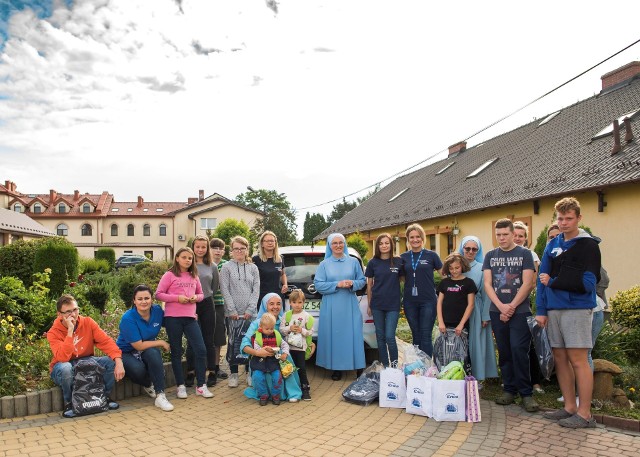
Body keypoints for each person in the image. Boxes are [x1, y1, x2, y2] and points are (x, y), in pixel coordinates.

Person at [537, 197, 601, 428]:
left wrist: (555, 282)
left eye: (569, 218)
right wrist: (541, 310)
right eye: (560, 218)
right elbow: (540, 280)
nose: (563, 223)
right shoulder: (552, 244)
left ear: (579, 218)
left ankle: (585, 415)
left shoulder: (589, 246)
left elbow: (588, 283)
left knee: (578, 360)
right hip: (553, 310)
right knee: (560, 359)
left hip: (576, 308)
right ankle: (569, 408)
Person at [483, 218, 539, 413]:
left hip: (520, 311)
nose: (501, 238)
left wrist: (511, 307)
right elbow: (488, 284)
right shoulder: (490, 255)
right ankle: (509, 389)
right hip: (497, 310)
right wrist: (500, 306)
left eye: (505, 234)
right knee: (505, 352)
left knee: (519, 350)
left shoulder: (524, 254)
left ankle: (526, 393)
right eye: (498, 235)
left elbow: (528, 283)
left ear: (512, 233)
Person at [47, 294, 125, 418]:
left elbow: (106, 342)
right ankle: (70, 403)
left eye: (75, 310)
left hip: (86, 360)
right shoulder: (53, 333)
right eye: (68, 312)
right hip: (63, 365)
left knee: (111, 362)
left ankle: (103, 397)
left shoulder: (88, 322)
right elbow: (63, 357)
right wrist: (70, 332)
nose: (73, 314)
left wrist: (119, 361)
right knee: (66, 368)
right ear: (59, 315)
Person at [156, 247, 214, 399]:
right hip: (173, 318)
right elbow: (158, 294)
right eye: (184, 257)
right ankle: (180, 386)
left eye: (190, 258)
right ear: (177, 258)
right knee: (176, 351)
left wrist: (196, 297)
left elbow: (202, 294)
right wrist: (177, 298)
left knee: (201, 350)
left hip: (190, 318)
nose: (188, 260)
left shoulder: (194, 276)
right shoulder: (169, 275)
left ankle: (201, 385)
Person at [314, 233, 367, 381]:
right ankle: (336, 368)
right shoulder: (324, 264)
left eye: (341, 243)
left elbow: (362, 281)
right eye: (334, 243)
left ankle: (358, 366)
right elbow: (318, 285)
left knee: (353, 335)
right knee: (334, 336)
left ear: (344, 244)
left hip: (349, 304)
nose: (338, 245)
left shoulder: (353, 262)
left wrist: (352, 284)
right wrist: (337, 284)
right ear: (330, 246)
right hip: (331, 305)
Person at [116, 285, 173, 411]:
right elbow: (138, 345)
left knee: (153, 353)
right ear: (134, 301)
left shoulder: (157, 311)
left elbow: (170, 321)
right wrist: (162, 342)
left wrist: (188, 316)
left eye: (147, 298)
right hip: (126, 352)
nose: (144, 302)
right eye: (140, 299)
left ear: (152, 299)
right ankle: (148, 383)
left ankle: (160, 395)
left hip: (146, 349)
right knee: (138, 370)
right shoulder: (128, 318)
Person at [241, 293, 303, 402]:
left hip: (279, 357)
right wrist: (257, 353)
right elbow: (244, 344)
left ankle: (290, 392)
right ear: (265, 305)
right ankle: (266, 394)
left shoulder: (284, 321)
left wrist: (309, 342)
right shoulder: (257, 323)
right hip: (261, 359)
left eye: (278, 304)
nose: (275, 307)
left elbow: (292, 338)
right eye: (271, 304)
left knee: (286, 361)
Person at [220, 235, 260, 388]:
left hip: (251, 314)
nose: (239, 251)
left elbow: (256, 289)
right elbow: (224, 289)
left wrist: (250, 309)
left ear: (246, 249)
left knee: (250, 342)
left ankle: (249, 373)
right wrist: (232, 310)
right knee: (233, 343)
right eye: (236, 248)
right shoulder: (226, 267)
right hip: (233, 314)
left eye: (242, 248)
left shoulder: (253, 268)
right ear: (232, 250)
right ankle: (234, 373)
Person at [457, 236, 498, 383]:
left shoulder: (482, 268)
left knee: (475, 343)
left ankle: (477, 376)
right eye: (467, 248)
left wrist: (486, 315)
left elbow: (487, 294)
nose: (470, 251)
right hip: (457, 309)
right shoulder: (454, 267)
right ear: (462, 248)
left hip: (476, 310)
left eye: (474, 249)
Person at [400, 223, 443, 357]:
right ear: (408, 239)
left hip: (428, 301)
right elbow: (400, 278)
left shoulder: (432, 256)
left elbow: (444, 276)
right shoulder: (403, 257)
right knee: (416, 336)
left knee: (425, 335)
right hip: (409, 302)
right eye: (412, 237)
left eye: (418, 236)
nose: (415, 240)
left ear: (422, 238)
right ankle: (417, 369)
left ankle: (428, 369)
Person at [513, 221, 545, 394]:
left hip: (525, 303)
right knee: (512, 346)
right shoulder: (505, 254)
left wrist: (515, 302)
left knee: (528, 344)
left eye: (521, 236)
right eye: (515, 235)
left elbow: (532, 283)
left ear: (526, 239)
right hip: (506, 305)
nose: (517, 238)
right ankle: (513, 382)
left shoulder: (530, 255)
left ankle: (535, 382)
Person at [185, 236, 220, 388]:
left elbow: (215, 286)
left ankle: (211, 371)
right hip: (189, 305)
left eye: (203, 247)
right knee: (192, 341)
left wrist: (204, 295)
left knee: (208, 340)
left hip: (206, 303)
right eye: (197, 247)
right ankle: (191, 372)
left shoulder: (212, 266)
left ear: (207, 249)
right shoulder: (186, 265)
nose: (200, 250)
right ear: (193, 247)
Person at [365, 233, 404, 367]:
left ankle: (394, 366)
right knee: (380, 338)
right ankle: (385, 366)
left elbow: (404, 280)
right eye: (381, 243)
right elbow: (369, 286)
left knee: (390, 337)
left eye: (387, 243)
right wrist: (369, 305)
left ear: (391, 244)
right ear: (377, 246)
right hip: (377, 305)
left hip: (393, 305)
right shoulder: (373, 262)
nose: (384, 246)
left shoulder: (398, 261)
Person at [280, 289, 314, 400]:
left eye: (300, 302)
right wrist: (289, 328)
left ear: (304, 302)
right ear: (290, 303)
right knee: (289, 368)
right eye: (294, 302)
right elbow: (281, 330)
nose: (297, 305)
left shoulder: (306, 316)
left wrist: (302, 330)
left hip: (300, 348)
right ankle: (292, 388)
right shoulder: (287, 315)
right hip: (288, 348)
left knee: (301, 368)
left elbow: (310, 332)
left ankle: (305, 388)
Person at [250, 313, 289, 406]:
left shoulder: (277, 335)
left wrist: (285, 353)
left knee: (277, 376)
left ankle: (276, 395)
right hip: (260, 361)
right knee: (258, 376)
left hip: (273, 361)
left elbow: (285, 345)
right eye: (267, 329)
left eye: (272, 328)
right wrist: (263, 350)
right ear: (261, 327)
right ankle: (263, 395)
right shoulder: (257, 336)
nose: (269, 331)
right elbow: (256, 348)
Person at [436, 253, 476, 335]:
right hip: (445, 323)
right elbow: (439, 302)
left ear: (462, 266)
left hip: (461, 324)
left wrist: (461, 324)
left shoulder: (469, 283)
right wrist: (440, 322)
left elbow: (471, 304)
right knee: (444, 347)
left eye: (457, 268)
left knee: (461, 347)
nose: (454, 271)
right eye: (451, 268)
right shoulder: (444, 282)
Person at [253, 230, 288, 310]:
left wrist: (285, 284)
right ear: (262, 244)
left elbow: (282, 274)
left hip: (277, 296)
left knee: (278, 321)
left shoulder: (280, 259)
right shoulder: (255, 260)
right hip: (262, 297)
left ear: (275, 243)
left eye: (272, 241)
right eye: (267, 241)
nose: (270, 243)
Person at [210, 238, 229, 381]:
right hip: (203, 305)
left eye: (221, 248)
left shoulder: (226, 265)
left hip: (220, 305)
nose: (218, 251)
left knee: (218, 338)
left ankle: (216, 367)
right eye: (215, 248)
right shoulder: (202, 264)